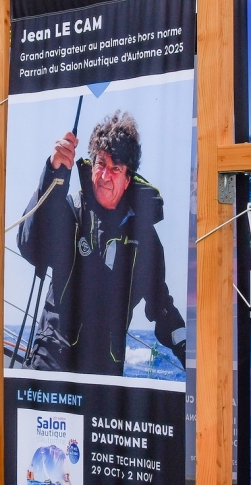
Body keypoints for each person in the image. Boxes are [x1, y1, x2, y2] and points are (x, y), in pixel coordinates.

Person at [16, 111, 187, 376]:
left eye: (116, 168)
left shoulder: (145, 240)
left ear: (127, 179)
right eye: (101, 164)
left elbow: (161, 307)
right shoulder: (71, 211)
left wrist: (189, 350)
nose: (106, 175)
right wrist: (52, 173)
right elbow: (30, 246)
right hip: (51, 365)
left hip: (103, 377)